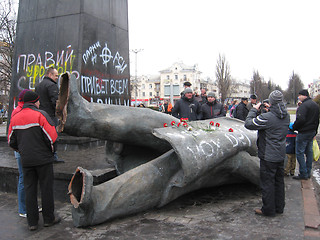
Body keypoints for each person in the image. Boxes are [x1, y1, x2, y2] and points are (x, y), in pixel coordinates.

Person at [8, 91, 61, 231]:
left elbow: (11, 141)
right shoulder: (41, 115)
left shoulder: (15, 118)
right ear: (34, 102)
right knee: (46, 189)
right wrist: (51, 152)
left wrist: (22, 151)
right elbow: (52, 137)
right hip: (43, 160)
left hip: (26, 161)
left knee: (30, 190)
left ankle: (32, 222)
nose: (39, 103)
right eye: (38, 101)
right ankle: (49, 219)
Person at [245, 90, 290, 217]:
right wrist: (268, 110)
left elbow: (249, 123)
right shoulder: (285, 116)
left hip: (268, 155)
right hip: (280, 154)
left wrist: (254, 110)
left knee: (267, 183)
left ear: (271, 102)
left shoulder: (268, 118)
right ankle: (279, 207)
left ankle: (268, 210)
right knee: (279, 181)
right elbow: (274, 121)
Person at [35, 67, 64, 163]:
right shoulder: (52, 86)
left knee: (42, 137)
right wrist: (60, 113)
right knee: (53, 136)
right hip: (50, 116)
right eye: (56, 75)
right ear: (50, 75)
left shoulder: (38, 85)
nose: (57, 77)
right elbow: (55, 102)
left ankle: (44, 155)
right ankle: (53, 156)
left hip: (40, 115)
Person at [291, 89, 320, 180]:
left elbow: (301, 119)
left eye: (300, 95)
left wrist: (294, 127)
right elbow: (317, 120)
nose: (298, 97)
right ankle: (308, 171)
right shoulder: (315, 105)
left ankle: (303, 173)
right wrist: (315, 131)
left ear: (304, 95)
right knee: (309, 152)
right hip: (311, 132)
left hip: (303, 132)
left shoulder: (304, 106)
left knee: (299, 152)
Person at [11, 89, 30, 218]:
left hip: (23, 150)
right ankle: (23, 209)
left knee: (27, 179)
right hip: (22, 151)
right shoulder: (19, 112)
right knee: (23, 179)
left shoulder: (19, 110)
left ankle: (28, 206)